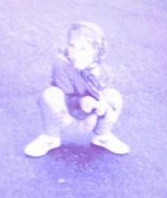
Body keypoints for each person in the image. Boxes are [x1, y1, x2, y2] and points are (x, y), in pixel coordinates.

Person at [24, 21, 129, 157]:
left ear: (96, 52)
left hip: (90, 118)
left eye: (83, 49)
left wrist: (101, 104)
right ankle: (50, 138)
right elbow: (64, 94)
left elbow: (101, 94)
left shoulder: (102, 70)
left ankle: (103, 136)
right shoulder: (62, 64)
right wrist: (80, 101)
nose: (75, 53)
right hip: (66, 116)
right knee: (51, 94)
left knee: (113, 96)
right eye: (71, 45)